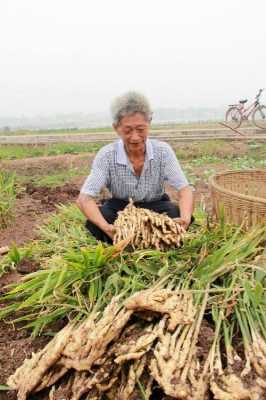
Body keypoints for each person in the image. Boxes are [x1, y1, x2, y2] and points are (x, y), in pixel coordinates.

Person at [77, 91, 194, 243]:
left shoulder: (163, 151)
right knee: (97, 222)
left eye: (140, 129)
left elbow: (184, 189)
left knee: (175, 214)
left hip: (156, 206)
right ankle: (122, 239)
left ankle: (144, 239)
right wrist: (106, 227)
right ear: (116, 127)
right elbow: (84, 199)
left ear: (149, 123)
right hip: (121, 208)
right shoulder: (106, 155)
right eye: (127, 130)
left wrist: (184, 220)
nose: (135, 137)